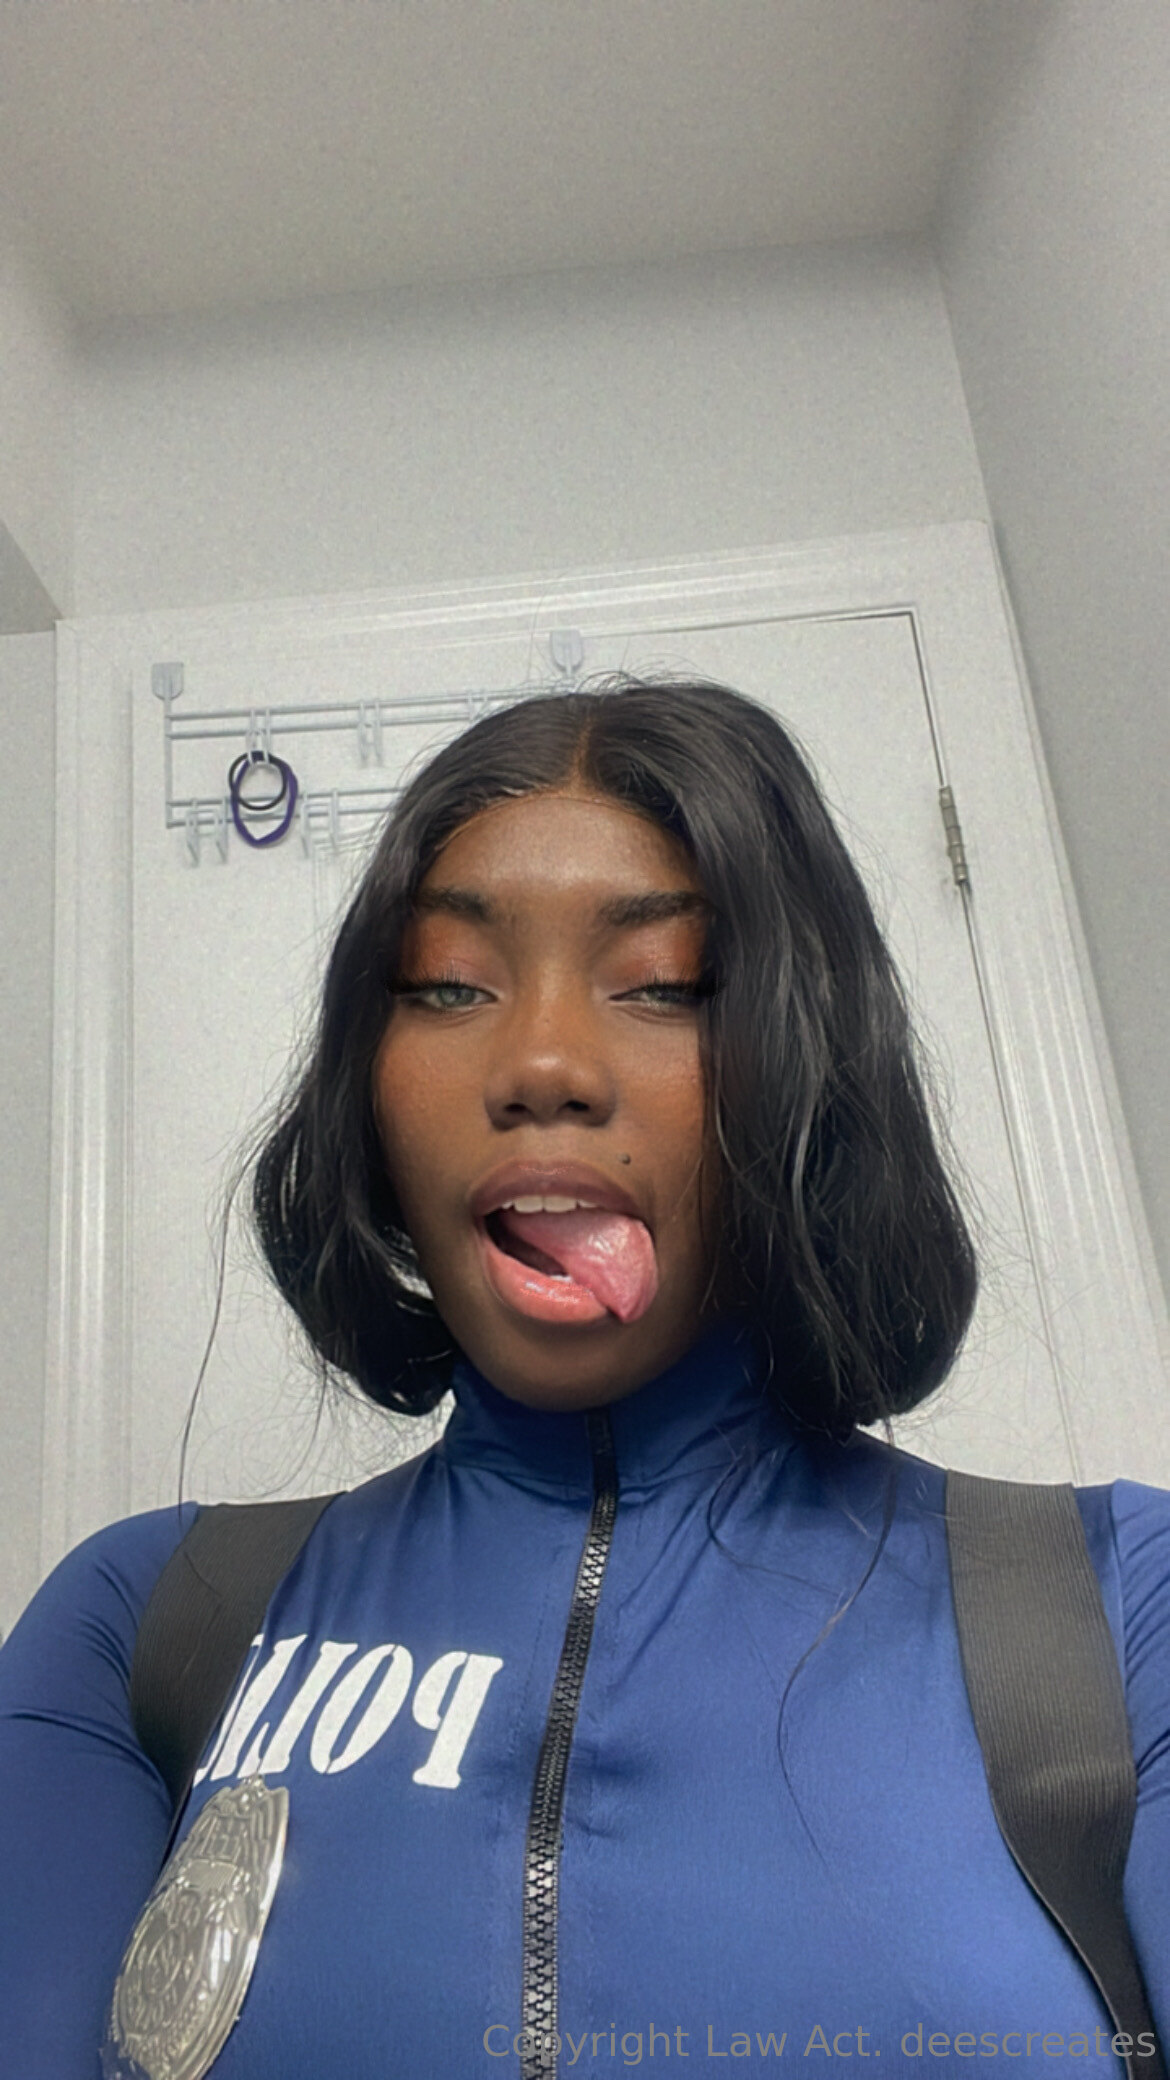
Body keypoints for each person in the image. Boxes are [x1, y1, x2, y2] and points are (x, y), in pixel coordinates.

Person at [0, 677, 1166, 2078]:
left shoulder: (1122, 1608)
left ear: (812, 1065)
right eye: (446, 983)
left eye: (665, 983)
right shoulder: (138, 1624)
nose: (542, 1062)